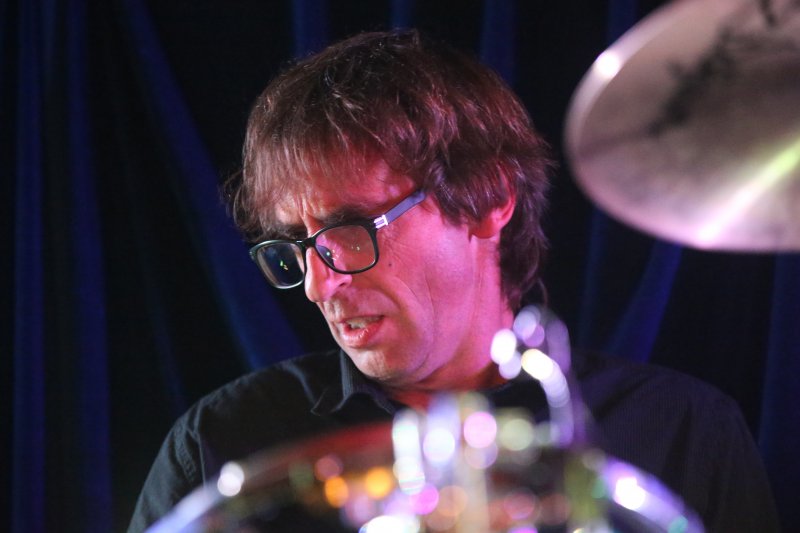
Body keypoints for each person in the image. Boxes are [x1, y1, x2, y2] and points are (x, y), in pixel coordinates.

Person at [129, 30, 779, 532]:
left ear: (488, 198)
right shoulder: (220, 442)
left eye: (350, 227)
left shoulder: (682, 430)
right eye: (298, 246)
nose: (317, 286)